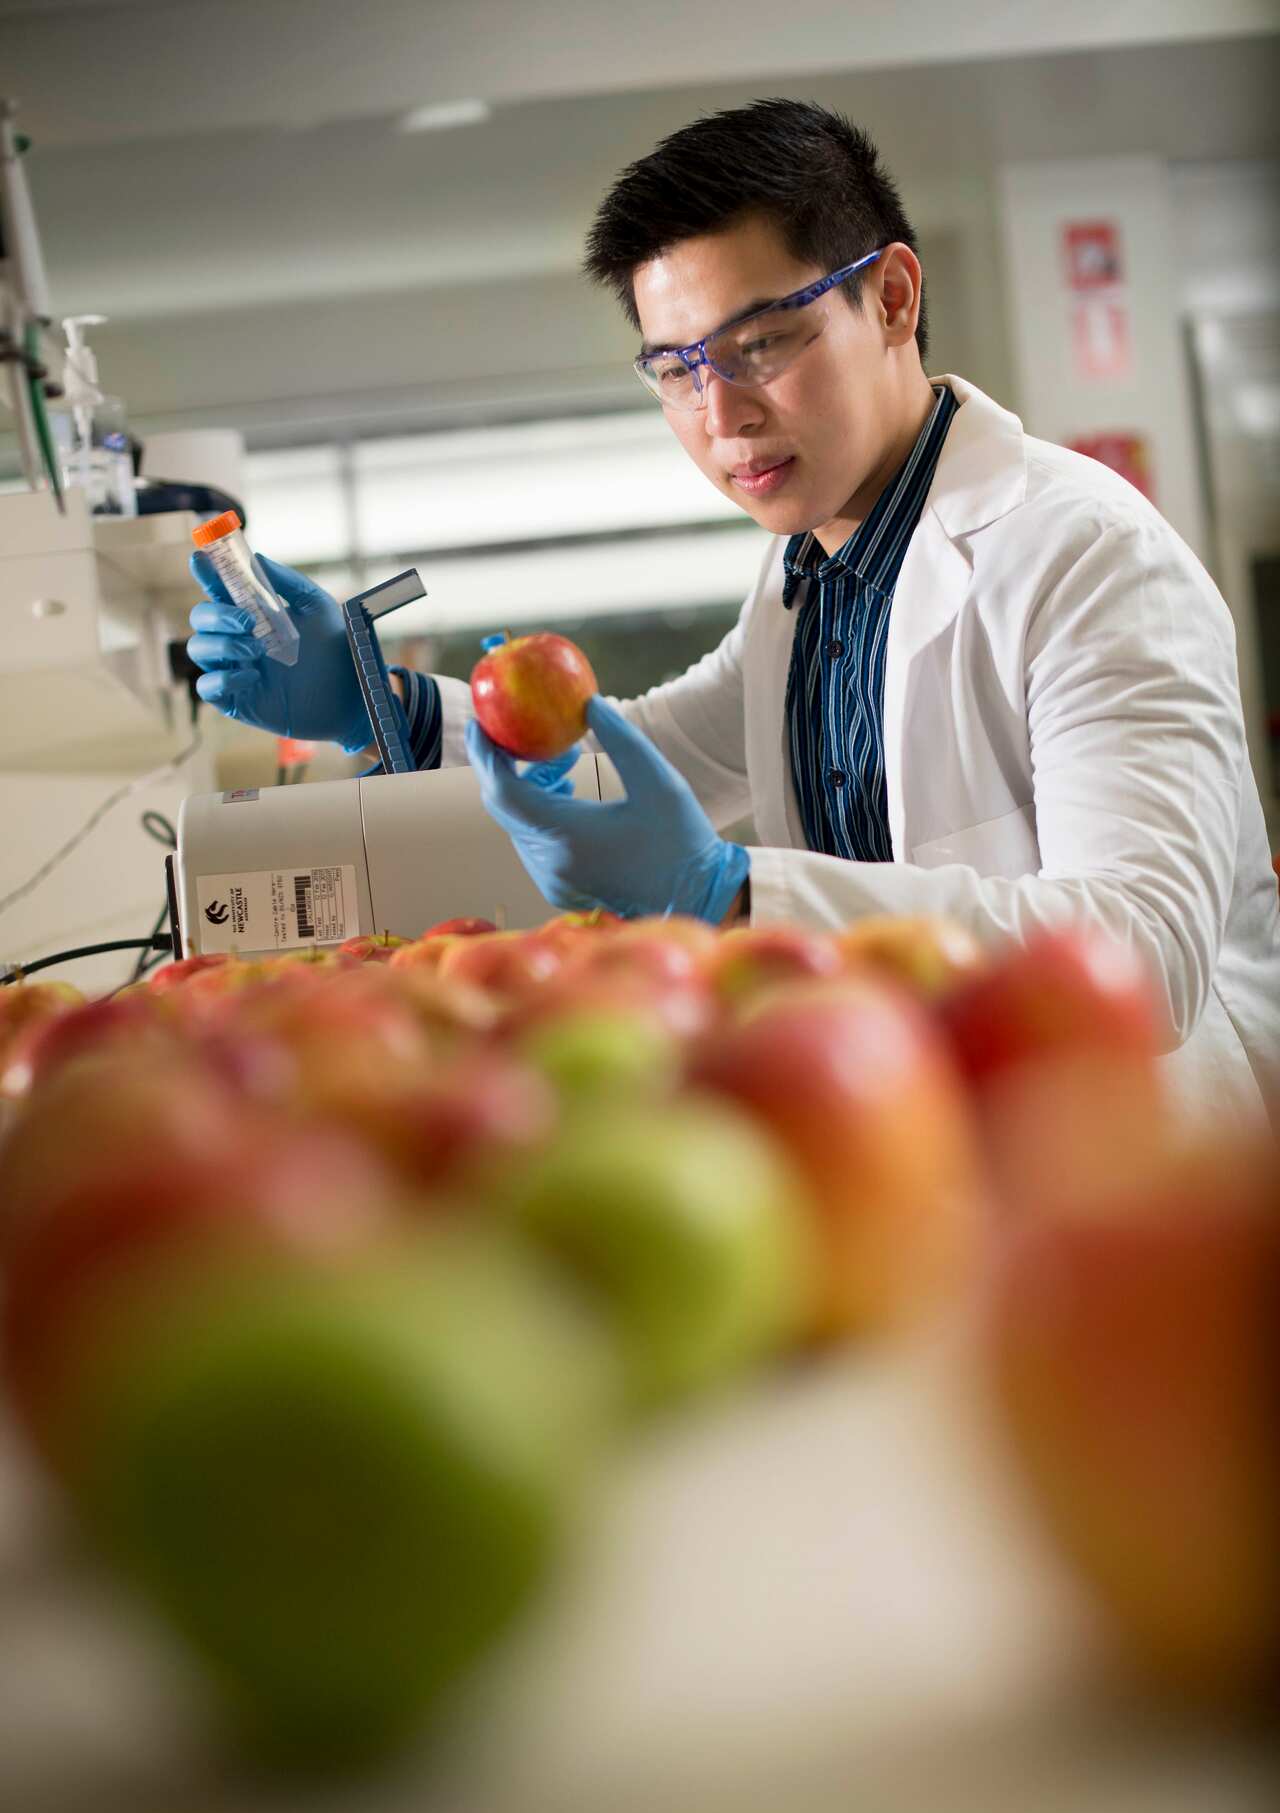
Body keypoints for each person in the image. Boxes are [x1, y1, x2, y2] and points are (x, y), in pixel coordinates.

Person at [188, 98, 1280, 1124]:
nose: (720, 416)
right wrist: (377, 700)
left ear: (892, 298)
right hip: (925, 1135)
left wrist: (736, 895)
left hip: (1147, 1155)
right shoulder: (806, 574)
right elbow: (644, 757)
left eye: (758, 344)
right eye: (675, 368)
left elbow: (1142, 952)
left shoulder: (1088, 554)